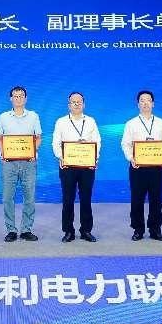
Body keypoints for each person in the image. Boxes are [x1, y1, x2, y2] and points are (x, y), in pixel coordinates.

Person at [120, 90, 162, 241]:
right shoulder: (131, 123)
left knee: (156, 199)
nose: (145, 103)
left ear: (153, 104)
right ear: (138, 104)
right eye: (142, 100)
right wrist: (131, 158)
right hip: (138, 168)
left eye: (148, 100)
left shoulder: (161, 122)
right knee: (137, 199)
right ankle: (138, 229)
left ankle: (155, 230)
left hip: (156, 168)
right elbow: (125, 144)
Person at [51, 91, 101, 243]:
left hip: (87, 166)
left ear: (84, 104)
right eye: (73, 102)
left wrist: (94, 158)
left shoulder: (91, 121)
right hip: (68, 167)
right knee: (68, 199)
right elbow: (56, 143)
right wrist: (61, 157)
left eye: (79, 101)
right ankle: (68, 231)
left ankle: (86, 230)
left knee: (86, 199)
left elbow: (97, 142)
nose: (77, 104)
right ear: (69, 105)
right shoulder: (61, 122)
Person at [0, 86, 42, 242]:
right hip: (9, 163)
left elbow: (38, 138)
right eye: (15, 96)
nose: (18, 98)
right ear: (11, 99)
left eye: (21, 96)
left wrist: (32, 151)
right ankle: (11, 230)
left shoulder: (33, 116)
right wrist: (3, 151)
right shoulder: (3, 117)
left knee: (29, 197)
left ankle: (26, 229)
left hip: (29, 162)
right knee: (7, 197)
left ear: (26, 98)